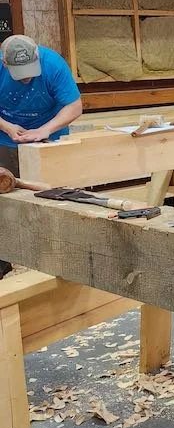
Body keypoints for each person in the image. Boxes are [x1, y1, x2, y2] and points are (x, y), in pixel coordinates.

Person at [0, 35, 82, 281]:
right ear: (5, 63)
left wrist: (44, 130)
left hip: (49, 137)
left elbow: (74, 106)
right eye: (20, 74)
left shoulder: (53, 64)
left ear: (37, 56)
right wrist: (6, 126)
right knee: (6, 199)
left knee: (56, 198)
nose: (26, 78)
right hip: (6, 139)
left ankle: (59, 259)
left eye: (30, 72)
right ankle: (7, 261)